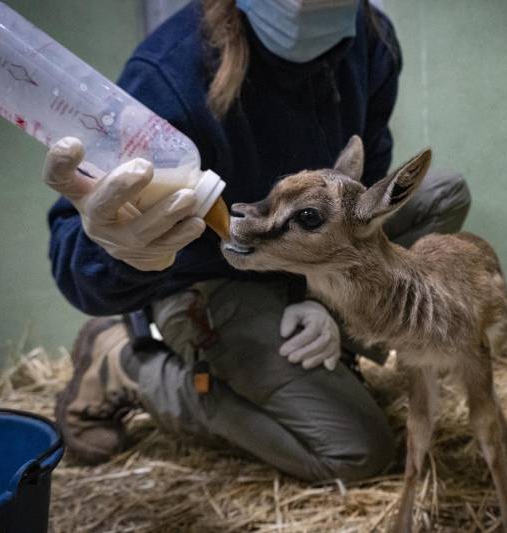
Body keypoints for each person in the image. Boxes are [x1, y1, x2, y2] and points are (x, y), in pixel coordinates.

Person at [45, 0, 471, 482]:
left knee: (442, 194)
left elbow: (367, 175)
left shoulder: (369, 39)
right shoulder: (169, 73)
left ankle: (329, 342)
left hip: (308, 253)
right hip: (214, 272)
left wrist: (320, 301)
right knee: (358, 452)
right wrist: (115, 248)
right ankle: (127, 366)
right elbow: (79, 269)